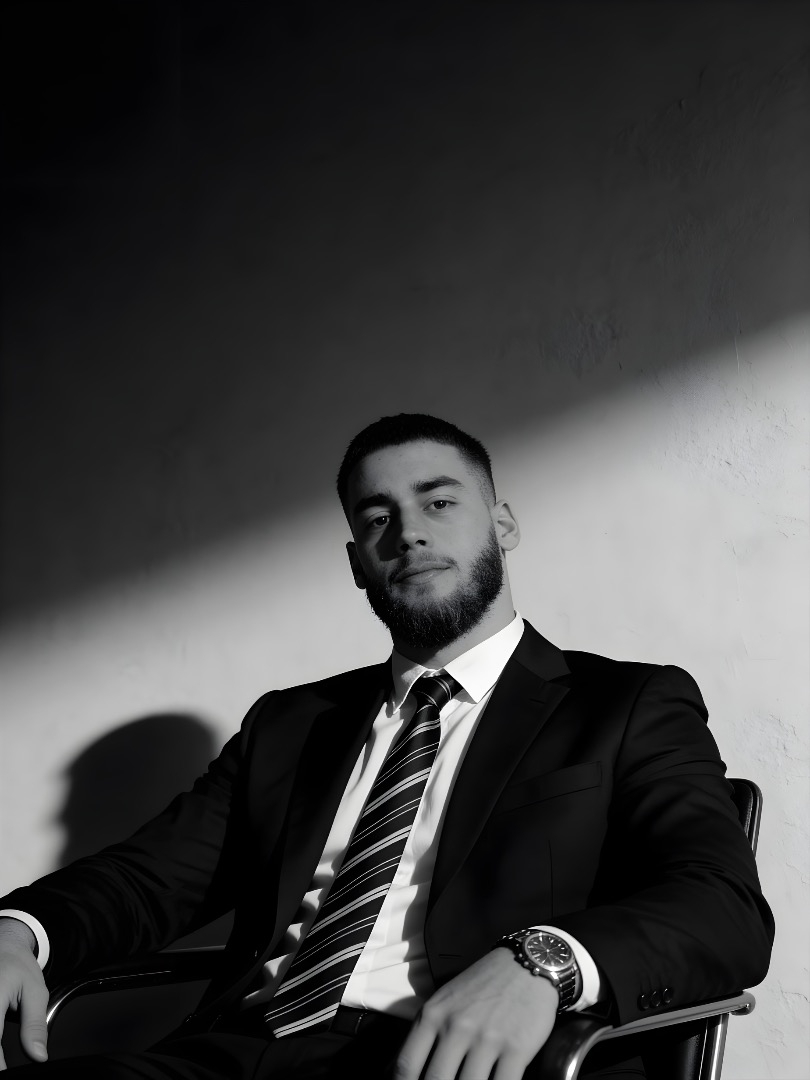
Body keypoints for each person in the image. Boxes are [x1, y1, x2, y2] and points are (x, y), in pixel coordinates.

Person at [0, 414, 773, 1079]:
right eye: (377, 518)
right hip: (234, 1050)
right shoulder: (292, 724)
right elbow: (148, 880)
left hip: (447, 1061)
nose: (409, 533)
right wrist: (18, 933)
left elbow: (722, 906)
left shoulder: (624, 705)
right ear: (356, 563)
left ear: (503, 525)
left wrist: (544, 960)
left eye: (439, 501)